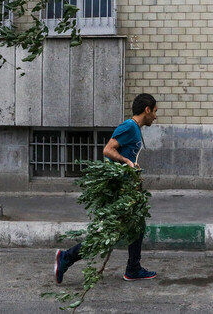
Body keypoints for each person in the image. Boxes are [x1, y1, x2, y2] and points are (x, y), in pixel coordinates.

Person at [54, 93, 158, 284]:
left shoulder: (135, 129)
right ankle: (66, 257)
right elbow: (108, 150)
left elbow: (125, 156)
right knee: (108, 233)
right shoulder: (129, 127)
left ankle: (133, 268)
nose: (155, 117)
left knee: (137, 225)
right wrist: (126, 161)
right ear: (147, 109)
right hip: (120, 190)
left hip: (127, 188)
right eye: (155, 112)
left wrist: (132, 169)